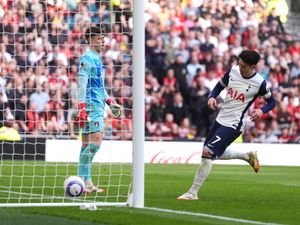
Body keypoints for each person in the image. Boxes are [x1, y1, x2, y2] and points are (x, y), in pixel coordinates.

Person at [177, 50, 276, 200]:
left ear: (253, 66)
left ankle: (192, 193)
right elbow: (219, 86)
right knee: (214, 152)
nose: (239, 66)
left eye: (243, 65)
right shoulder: (233, 71)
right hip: (220, 119)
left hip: (234, 124)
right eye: (239, 63)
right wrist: (212, 96)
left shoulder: (260, 83)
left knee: (208, 152)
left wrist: (262, 110)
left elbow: (272, 102)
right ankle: (246, 156)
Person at [75, 25, 121, 194]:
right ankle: (80, 180)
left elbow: (99, 87)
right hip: (91, 107)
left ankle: (86, 182)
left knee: (86, 145)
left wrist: (110, 102)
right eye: (100, 38)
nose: (103, 41)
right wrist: (82, 107)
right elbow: (82, 84)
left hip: (98, 105)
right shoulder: (86, 58)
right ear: (91, 39)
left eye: (103, 38)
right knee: (95, 143)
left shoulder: (97, 59)